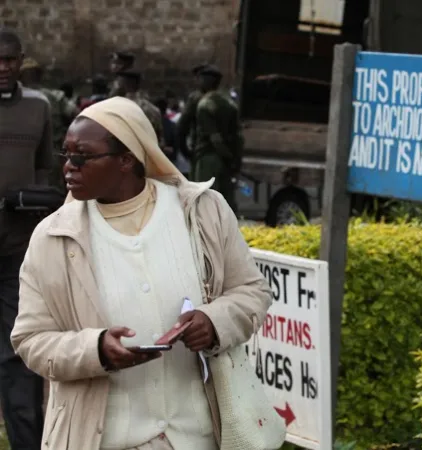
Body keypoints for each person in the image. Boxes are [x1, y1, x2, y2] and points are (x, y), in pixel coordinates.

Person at [11, 96, 273, 450]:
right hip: (105, 440)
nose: (68, 167)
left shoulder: (201, 212)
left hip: (197, 437)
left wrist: (214, 322)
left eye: (82, 156)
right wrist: (97, 349)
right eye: (65, 154)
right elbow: (30, 340)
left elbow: (252, 292)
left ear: (127, 159)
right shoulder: (54, 238)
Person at [0, 29, 52, 450]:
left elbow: (47, 173)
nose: (4, 68)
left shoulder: (40, 107)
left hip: (17, 255)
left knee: (19, 357)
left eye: (10, 60)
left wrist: (31, 202)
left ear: (21, 60)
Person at [20, 57, 79, 192]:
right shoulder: (56, 96)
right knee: (51, 194)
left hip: (24, 155)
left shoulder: (15, 99)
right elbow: (79, 116)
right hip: (53, 154)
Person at [193, 65, 243, 215]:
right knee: (225, 203)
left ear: (206, 81)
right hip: (226, 162)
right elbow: (237, 137)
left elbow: (215, 139)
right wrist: (234, 160)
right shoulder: (230, 104)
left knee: (204, 203)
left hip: (208, 158)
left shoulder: (204, 105)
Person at [115, 70, 164, 145]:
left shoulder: (119, 107)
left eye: (118, 82)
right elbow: (160, 138)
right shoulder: (152, 108)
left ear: (126, 84)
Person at [176, 63, 207, 171]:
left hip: (200, 147)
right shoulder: (221, 97)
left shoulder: (195, 97)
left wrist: (184, 149)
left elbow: (182, 125)